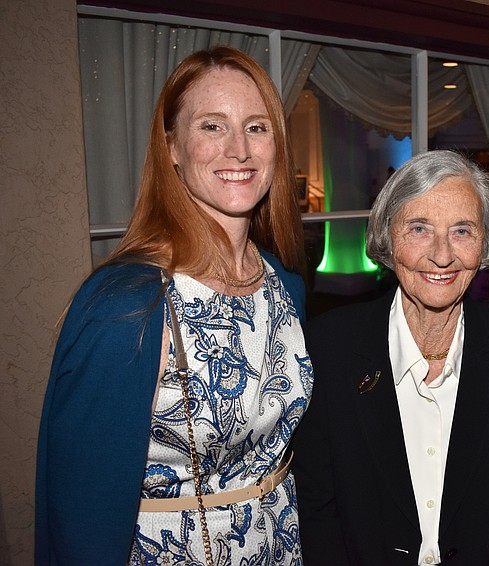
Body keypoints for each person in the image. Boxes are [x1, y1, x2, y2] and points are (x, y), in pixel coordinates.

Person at [35, 46, 311, 565]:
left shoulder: (284, 285)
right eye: (212, 126)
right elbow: (80, 515)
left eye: (256, 127)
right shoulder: (127, 308)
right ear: (173, 150)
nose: (240, 150)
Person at [293, 150, 489, 565]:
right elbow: (317, 514)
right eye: (419, 228)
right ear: (389, 239)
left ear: (485, 244)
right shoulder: (328, 349)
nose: (442, 255)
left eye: (462, 230)